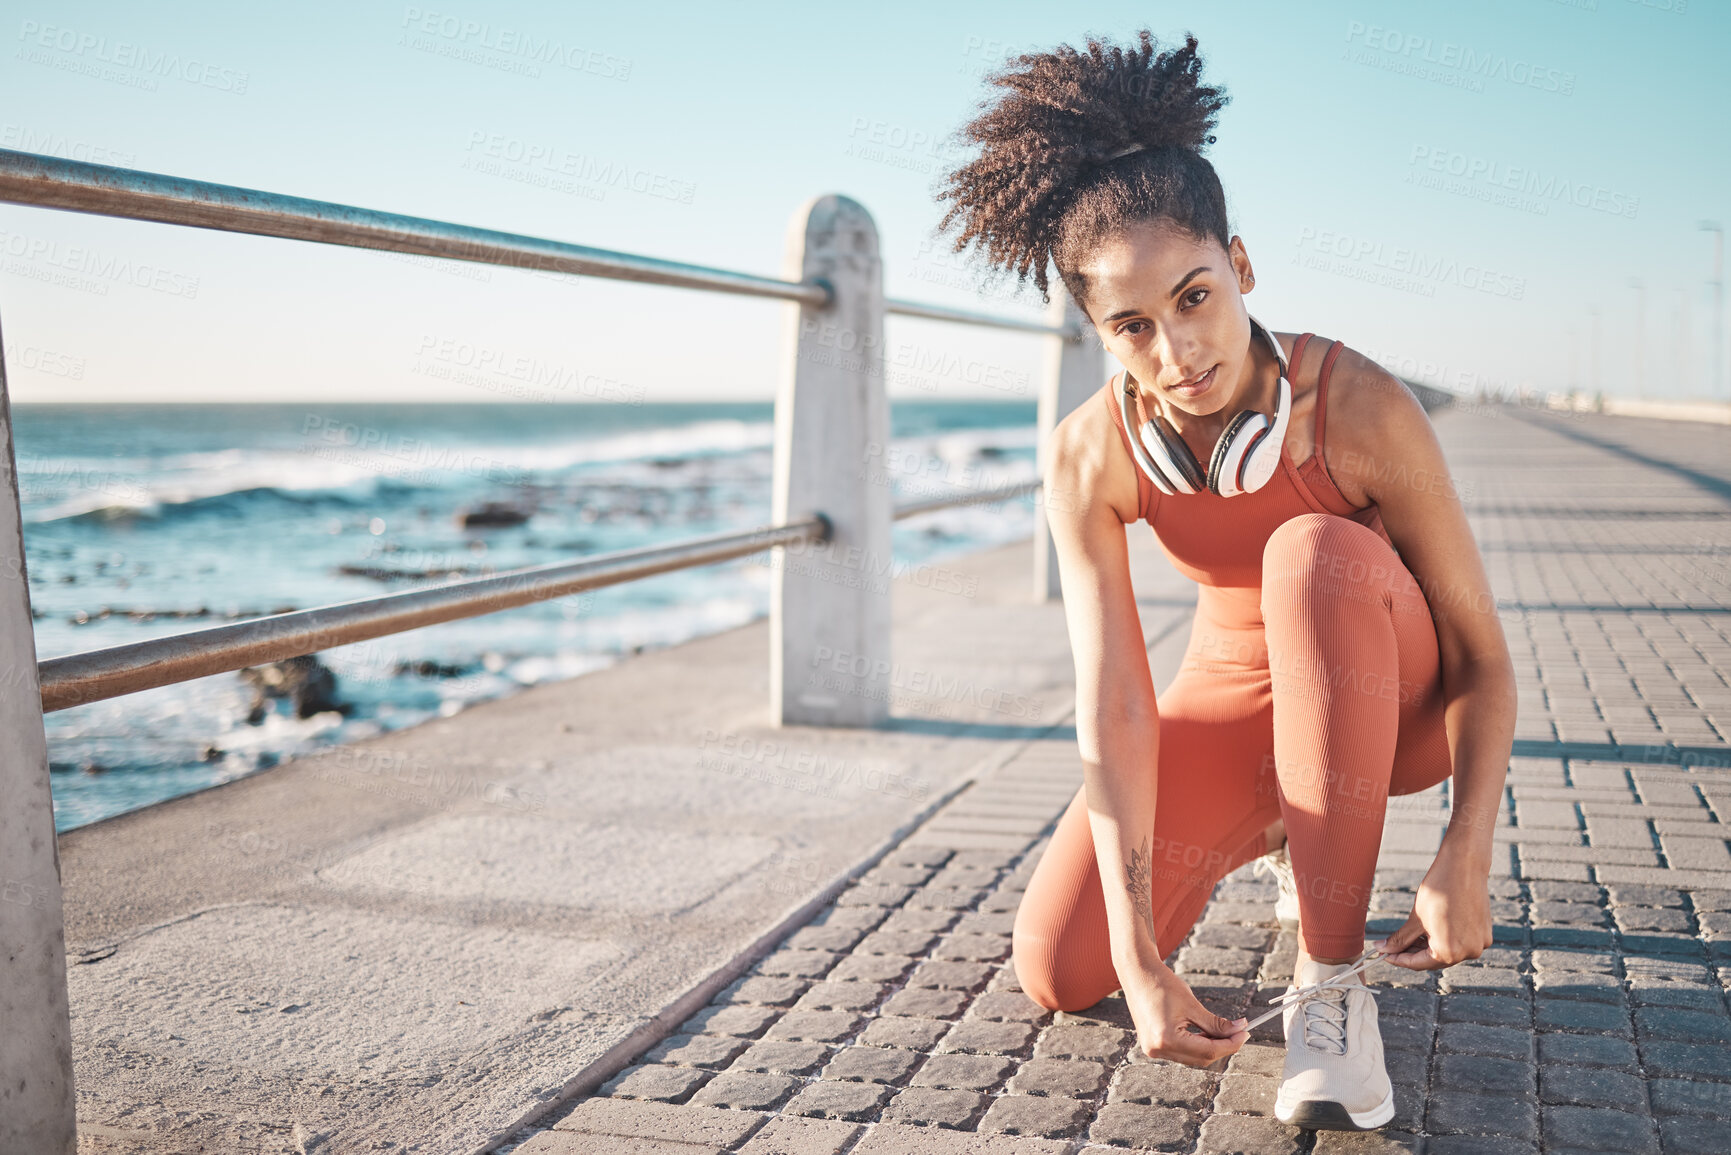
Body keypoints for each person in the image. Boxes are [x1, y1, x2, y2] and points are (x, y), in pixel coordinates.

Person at [932, 30, 1517, 1130]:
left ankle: (1332, 992)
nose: (1176, 353)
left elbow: (1486, 660)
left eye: (1195, 298)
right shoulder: (1089, 454)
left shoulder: (1362, 405)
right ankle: (1287, 823)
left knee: (1310, 551)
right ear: (1099, 334)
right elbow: (1114, 701)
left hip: (1400, 701)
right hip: (1238, 691)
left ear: (1241, 267)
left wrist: (1464, 848)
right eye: (1132, 328)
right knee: (1062, 968)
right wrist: (1139, 951)